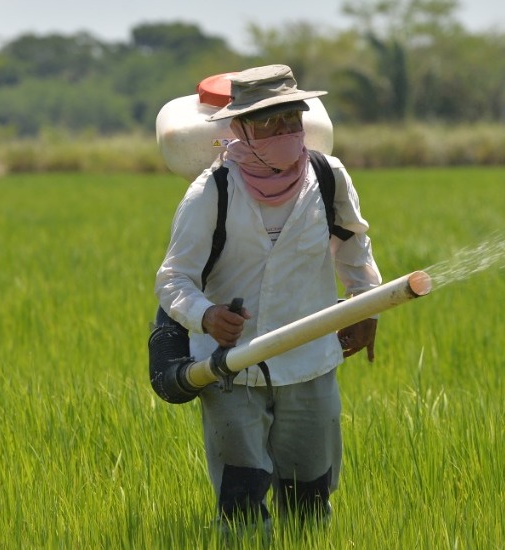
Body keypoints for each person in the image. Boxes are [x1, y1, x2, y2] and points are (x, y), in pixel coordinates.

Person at [154, 64, 382, 536]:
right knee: (242, 494)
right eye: (267, 122)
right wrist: (207, 315)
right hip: (231, 367)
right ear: (240, 128)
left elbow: (354, 243)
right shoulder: (212, 192)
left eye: (290, 119)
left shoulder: (328, 176)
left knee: (312, 494)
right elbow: (173, 279)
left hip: (311, 358)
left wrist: (366, 304)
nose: (283, 131)